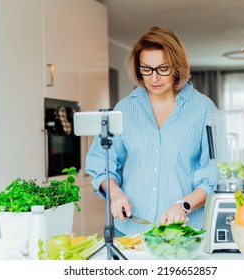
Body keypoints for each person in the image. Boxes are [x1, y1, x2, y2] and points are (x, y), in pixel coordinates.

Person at [85, 26, 218, 237]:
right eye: (146, 69)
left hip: (184, 232)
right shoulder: (125, 108)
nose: (154, 78)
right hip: (131, 230)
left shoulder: (203, 109)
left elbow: (213, 173)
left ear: (177, 67)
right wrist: (116, 193)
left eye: (162, 69)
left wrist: (183, 206)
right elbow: (101, 160)